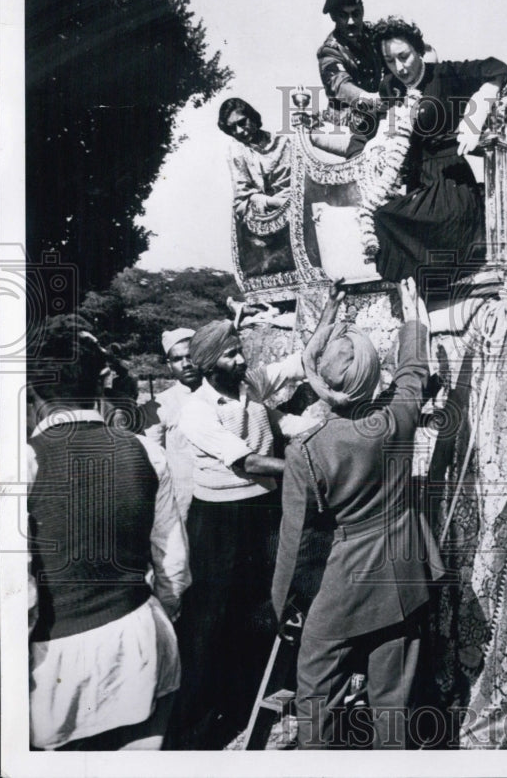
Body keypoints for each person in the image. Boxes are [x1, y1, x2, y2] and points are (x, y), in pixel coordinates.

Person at [272, 277, 445, 750]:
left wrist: (284, 604)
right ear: (373, 379)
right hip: (402, 579)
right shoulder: (397, 417)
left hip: (340, 591)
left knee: (317, 703)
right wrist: (412, 318)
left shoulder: (307, 450)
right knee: (395, 705)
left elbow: (298, 542)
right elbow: (413, 371)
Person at [27, 317, 189, 750]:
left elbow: (17, 591)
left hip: (51, 660)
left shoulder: (25, 464)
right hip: (140, 636)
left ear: (33, 389)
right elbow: (172, 563)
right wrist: (163, 615)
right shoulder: (145, 451)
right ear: (103, 380)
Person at [167, 318, 319, 748]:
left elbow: (297, 364)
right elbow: (247, 463)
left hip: (262, 512)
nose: (241, 358)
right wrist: (312, 471)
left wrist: (331, 309)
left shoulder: (248, 384)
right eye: (231, 354)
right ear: (210, 364)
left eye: (239, 350)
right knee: (210, 621)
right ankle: (192, 731)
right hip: (219, 522)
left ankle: (239, 705)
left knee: (259, 610)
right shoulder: (195, 411)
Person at [371, 16, 507, 292]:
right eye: (390, 60)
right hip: (418, 188)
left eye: (404, 56)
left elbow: (498, 68)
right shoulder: (391, 88)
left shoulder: (446, 75)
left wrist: (476, 112)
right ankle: (417, 305)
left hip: (451, 187)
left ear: (418, 50)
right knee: (382, 218)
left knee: (396, 222)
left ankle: (440, 279)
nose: (400, 67)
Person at [316, 0, 436, 132]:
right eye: (343, 16)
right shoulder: (329, 51)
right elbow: (340, 86)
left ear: (363, 9)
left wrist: (430, 81)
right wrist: (369, 99)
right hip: (347, 121)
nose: (351, 21)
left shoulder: (376, 34)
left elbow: (423, 51)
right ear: (333, 16)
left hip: (385, 110)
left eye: (356, 13)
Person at [219, 96, 299, 279]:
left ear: (252, 117)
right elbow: (243, 197)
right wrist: (278, 202)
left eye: (242, 122)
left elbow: (300, 178)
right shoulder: (237, 151)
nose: (239, 131)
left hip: (295, 202)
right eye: (232, 128)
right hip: (263, 214)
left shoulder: (283, 142)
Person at [141, 328, 202, 522]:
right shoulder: (159, 407)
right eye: (177, 359)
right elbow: (154, 461)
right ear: (169, 365)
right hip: (185, 500)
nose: (186, 364)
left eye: (191, 356)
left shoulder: (222, 394)